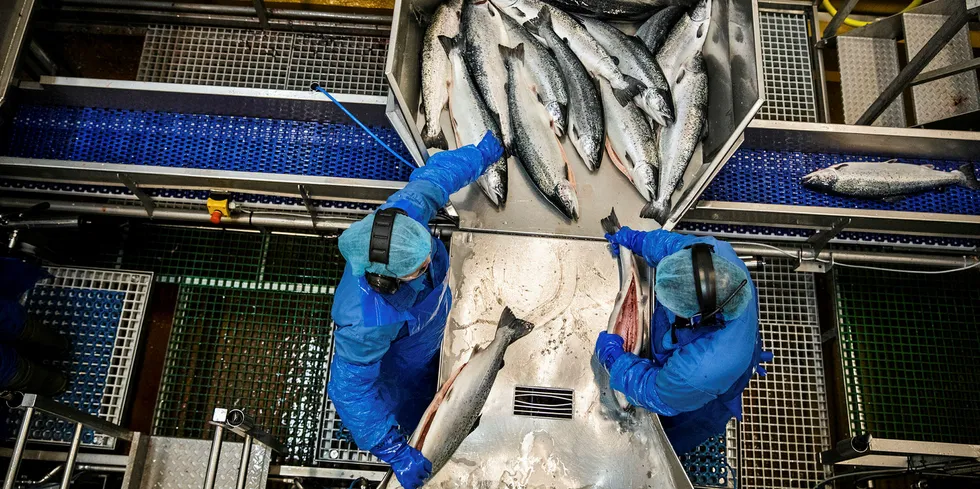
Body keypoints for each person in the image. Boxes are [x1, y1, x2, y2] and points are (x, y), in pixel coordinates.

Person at [327, 131, 504, 489]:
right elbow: (349, 392)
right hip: (397, 361)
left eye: (428, 255)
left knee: (431, 374)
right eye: (418, 268)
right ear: (385, 280)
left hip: (429, 327)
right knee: (411, 407)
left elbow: (436, 176)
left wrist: (482, 154)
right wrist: (393, 450)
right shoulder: (366, 321)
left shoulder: (403, 219)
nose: (429, 262)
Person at [595, 227, 772, 456]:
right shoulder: (714, 254)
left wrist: (615, 361)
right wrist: (637, 241)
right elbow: (670, 245)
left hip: (706, 393)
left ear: (696, 320)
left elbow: (653, 393)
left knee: (673, 432)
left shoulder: (701, 370)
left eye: (670, 300)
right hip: (738, 337)